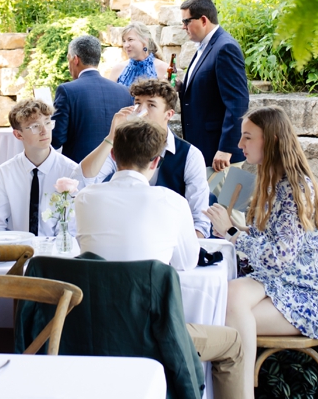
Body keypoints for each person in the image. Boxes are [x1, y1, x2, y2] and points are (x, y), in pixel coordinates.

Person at [76, 120, 246, 399]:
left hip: (89, 330)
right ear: (156, 162)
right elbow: (186, 261)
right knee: (233, 343)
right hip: (151, 335)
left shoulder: (84, 198)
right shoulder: (171, 201)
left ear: (114, 156)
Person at [204, 107, 318, 399]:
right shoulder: (275, 181)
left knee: (223, 312)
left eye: (248, 137)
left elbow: (280, 257)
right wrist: (230, 231)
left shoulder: (293, 189)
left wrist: (232, 233)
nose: (240, 145)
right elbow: (270, 242)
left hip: (306, 296)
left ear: (272, 140)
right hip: (282, 282)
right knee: (228, 296)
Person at [79, 79, 211, 238]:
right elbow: (83, 181)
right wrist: (111, 137)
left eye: (151, 105)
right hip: (122, 239)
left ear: (168, 114)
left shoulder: (190, 155)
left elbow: (200, 221)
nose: (141, 111)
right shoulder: (122, 146)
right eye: (137, 103)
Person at [178, 0, 250, 172]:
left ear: (203, 20)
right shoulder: (206, 46)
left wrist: (226, 148)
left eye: (186, 21)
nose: (183, 27)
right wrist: (182, 88)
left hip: (219, 153)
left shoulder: (225, 47)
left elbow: (237, 102)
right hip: (205, 146)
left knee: (220, 200)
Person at [0, 99, 81, 236]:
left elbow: (70, 230)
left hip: (56, 253)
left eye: (48, 123)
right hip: (16, 251)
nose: (44, 131)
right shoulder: (5, 172)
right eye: (35, 126)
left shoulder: (70, 171)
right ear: (18, 134)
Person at [50, 35, 133, 163]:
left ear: (75, 59)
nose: (68, 65)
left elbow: (56, 139)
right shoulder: (124, 92)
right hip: (116, 168)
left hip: (80, 169)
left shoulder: (67, 91)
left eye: (68, 59)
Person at [106, 22, 168, 87]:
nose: (126, 45)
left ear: (145, 40)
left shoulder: (163, 68)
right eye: (124, 41)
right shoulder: (117, 69)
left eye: (130, 39)